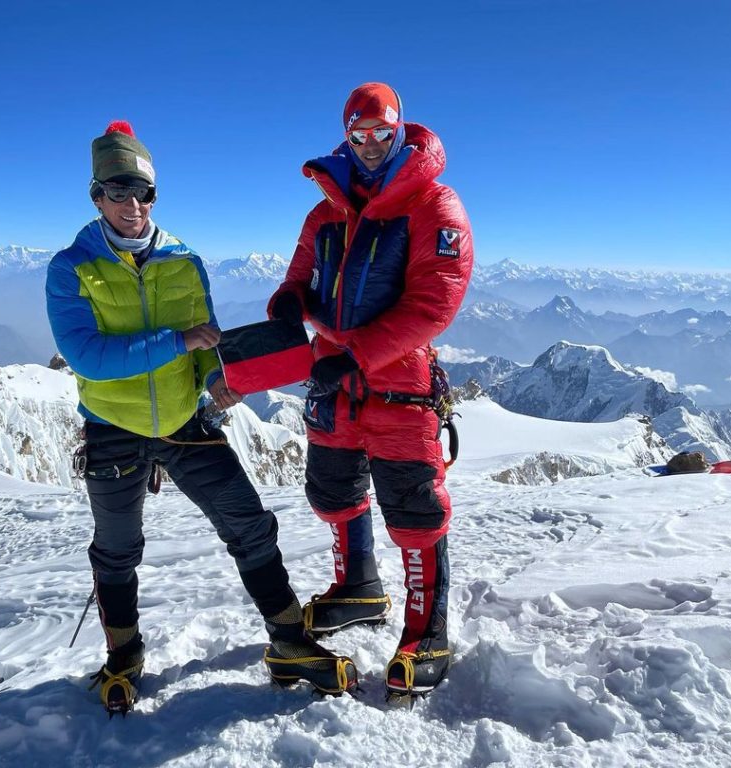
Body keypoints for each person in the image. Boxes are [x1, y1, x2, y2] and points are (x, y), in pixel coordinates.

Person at [46, 121, 357, 714]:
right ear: (95, 194)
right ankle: (124, 656)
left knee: (249, 523)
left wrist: (217, 377)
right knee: (117, 549)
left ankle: (290, 639)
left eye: (143, 191)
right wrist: (177, 341)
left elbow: (208, 341)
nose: (132, 204)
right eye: (118, 190)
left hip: (186, 420)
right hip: (113, 425)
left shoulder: (185, 262)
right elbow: (87, 356)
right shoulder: (71, 268)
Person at [267, 83, 474, 701]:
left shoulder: (434, 205)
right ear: (346, 135)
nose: (372, 147)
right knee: (332, 488)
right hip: (333, 377)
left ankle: (426, 629)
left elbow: (435, 305)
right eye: (360, 135)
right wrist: (287, 302)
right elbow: (301, 276)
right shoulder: (325, 209)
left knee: (414, 506)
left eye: (383, 134)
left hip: (399, 383)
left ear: (400, 131)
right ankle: (358, 586)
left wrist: (357, 353)